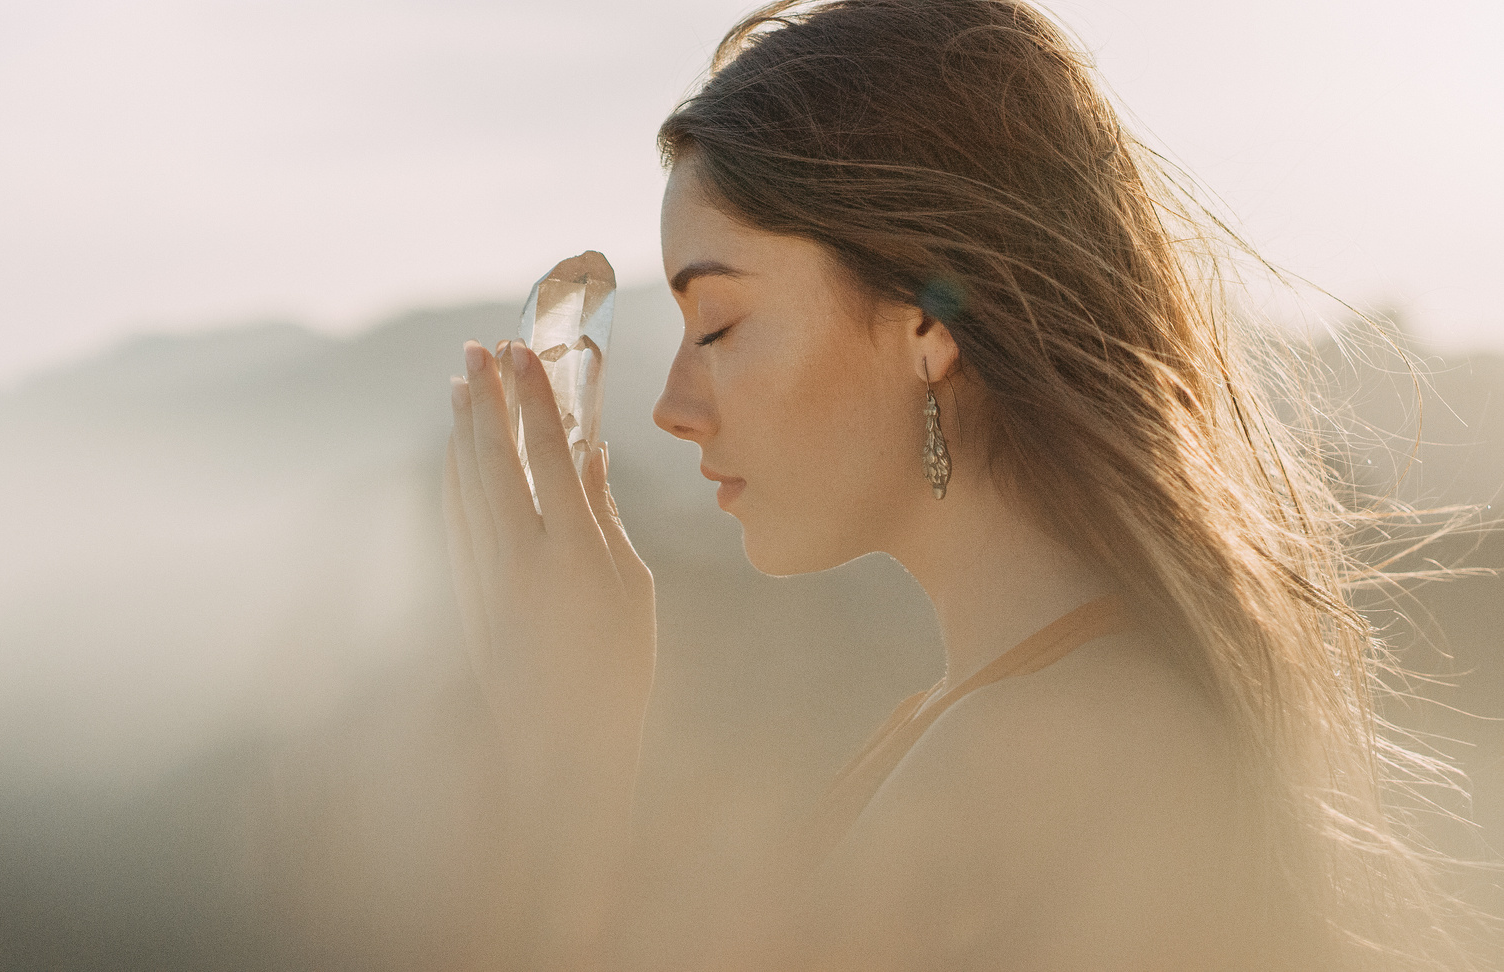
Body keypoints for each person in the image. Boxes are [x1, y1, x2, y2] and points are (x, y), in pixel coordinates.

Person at [443, 1, 1487, 969]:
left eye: (716, 325)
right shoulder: (1008, 703)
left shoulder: (1046, 754)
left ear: (928, 318)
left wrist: (568, 768)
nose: (674, 406)